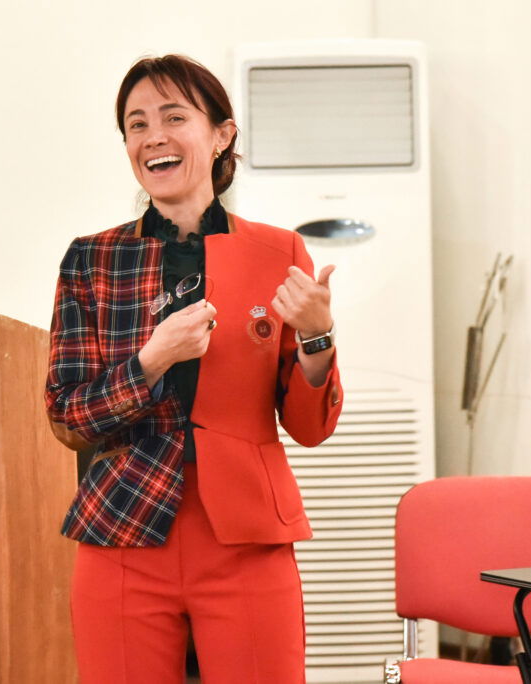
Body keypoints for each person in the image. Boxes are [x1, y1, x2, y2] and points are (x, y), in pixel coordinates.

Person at [44, 54, 343, 684]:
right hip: (124, 526)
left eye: (174, 117)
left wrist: (317, 337)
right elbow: (68, 417)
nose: (153, 136)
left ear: (221, 135)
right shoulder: (92, 259)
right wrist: (151, 360)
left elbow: (309, 427)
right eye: (136, 124)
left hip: (247, 536)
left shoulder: (278, 250)